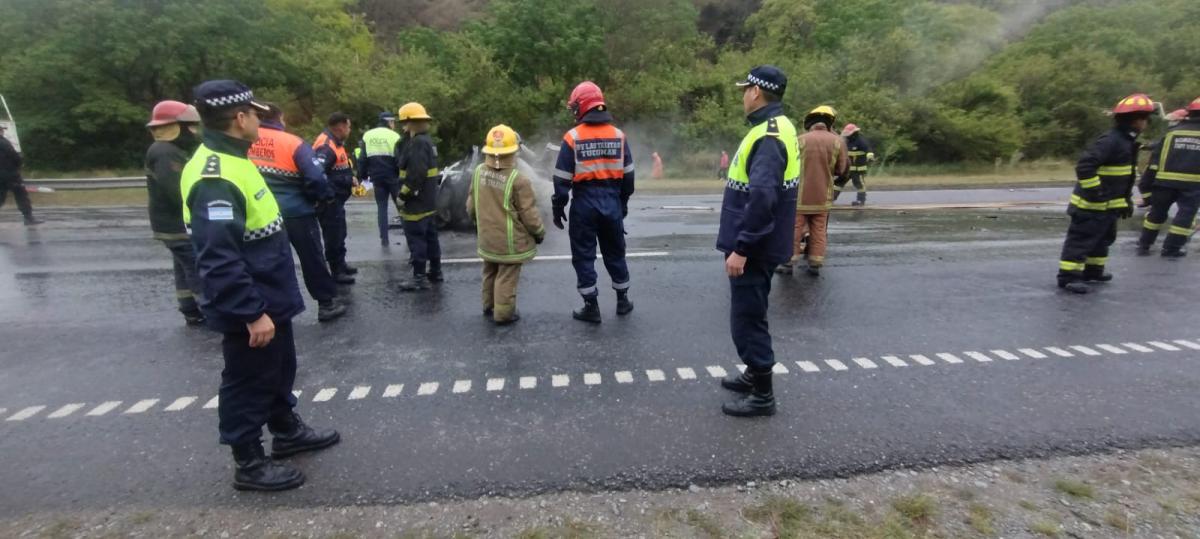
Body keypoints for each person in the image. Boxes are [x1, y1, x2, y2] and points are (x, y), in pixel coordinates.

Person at [183, 80, 339, 491]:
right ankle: (249, 461)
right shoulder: (215, 177)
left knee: (279, 367)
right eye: (254, 113)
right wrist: (251, 313)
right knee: (248, 379)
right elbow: (218, 258)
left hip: (270, 293)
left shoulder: (235, 157)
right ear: (240, 118)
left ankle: (286, 429)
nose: (259, 120)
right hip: (252, 302)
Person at [716, 65, 800, 417]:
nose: (743, 96)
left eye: (744, 90)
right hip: (763, 244)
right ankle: (754, 373)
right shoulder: (779, 126)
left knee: (748, 318)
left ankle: (763, 394)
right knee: (753, 312)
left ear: (755, 92)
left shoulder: (767, 136)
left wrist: (742, 248)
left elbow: (763, 199)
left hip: (755, 247)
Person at [248, 103, 347, 322]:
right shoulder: (292, 142)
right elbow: (316, 177)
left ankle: (270, 310)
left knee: (268, 261)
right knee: (312, 259)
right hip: (296, 212)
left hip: (260, 213)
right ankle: (326, 304)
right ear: (279, 118)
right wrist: (319, 198)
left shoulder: (245, 143)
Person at [552, 81, 635, 323]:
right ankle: (623, 300)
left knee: (583, 255)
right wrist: (622, 203)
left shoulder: (572, 137)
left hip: (584, 203)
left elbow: (561, 179)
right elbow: (629, 176)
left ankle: (591, 306)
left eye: (574, 107)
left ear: (582, 106)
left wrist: (558, 207)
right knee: (615, 251)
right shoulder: (619, 136)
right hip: (611, 200)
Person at [1057, 93, 1155, 293]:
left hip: (1107, 207)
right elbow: (1085, 166)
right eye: (1145, 119)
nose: (1146, 123)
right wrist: (1096, 192)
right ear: (1136, 120)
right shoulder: (1111, 141)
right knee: (1081, 241)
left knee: (1102, 240)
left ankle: (1093, 271)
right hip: (1090, 206)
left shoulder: (1126, 141)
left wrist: (1125, 201)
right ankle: (1068, 277)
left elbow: (1122, 179)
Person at [467, 125, 545, 325]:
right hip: (509, 243)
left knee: (489, 271)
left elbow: (471, 206)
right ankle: (503, 314)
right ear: (514, 152)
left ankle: (488, 306)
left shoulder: (478, 172)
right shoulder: (519, 180)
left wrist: (478, 223)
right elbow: (529, 214)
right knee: (506, 276)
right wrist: (539, 232)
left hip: (487, 238)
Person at [144, 100, 205, 325]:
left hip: (169, 224)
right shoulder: (165, 152)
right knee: (195, 265)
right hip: (176, 224)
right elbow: (178, 190)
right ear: (174, 127)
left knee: (183, 266)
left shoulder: (167, 150)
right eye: (189, 125)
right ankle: (209, 308)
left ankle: (190, 308)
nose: (193, 131)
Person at [777, 105, 848, 277]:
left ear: (810, 123)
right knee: (819, 229)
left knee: (794, 228)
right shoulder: (838, 142)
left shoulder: (799, 140)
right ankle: (815, 264)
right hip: (823, 196)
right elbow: (842, 169)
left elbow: (786, 165)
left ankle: (788, 263)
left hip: (799, 196)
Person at [1137, 96, 1200, 258]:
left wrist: (1146, 185)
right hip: (1193, 185)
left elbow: (1155, 160)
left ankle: (1144, 243)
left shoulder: (1172, 133)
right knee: (1185, 216)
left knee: (1156, 214)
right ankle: (1171, 248)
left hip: (1163, 183)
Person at [394, 102, 443, 291]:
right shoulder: (426, 141)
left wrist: (403, 195)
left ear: (410, 122)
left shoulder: (417, 143)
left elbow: (416, 174)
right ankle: (435, 272)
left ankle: (419, 278)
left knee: (416, 239)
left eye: (404, 123)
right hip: (428, 200)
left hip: (416, 201)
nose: (403, 127)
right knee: (430, 237)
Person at [313, 112, 357, 284]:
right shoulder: (326, 146)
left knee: (340, 232)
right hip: (330, 201)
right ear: (341, 127)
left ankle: (341, 263)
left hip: (337, 200)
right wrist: (330, 196)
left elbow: (337, 169)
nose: (350, 130)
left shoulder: (336, 143)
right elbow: (318, 174)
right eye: (349, 126)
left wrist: (349, 177)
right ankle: (336, 270)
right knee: (333, 235)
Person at [358, 112, 401, 246]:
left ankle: (384, 238)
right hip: (393, 177)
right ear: (389, 122)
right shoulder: (395, 136)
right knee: (401, 206)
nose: (394, 125)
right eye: (393, 122)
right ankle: (409, 234)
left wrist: (363, 176)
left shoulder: (368, 135)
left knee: (382, 207)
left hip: (377, 177)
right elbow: (400, 159)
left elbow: (362, 159)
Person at [0, 124, 43, 225]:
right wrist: (19, 163)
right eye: (1, 130)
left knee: (1, 196)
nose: (3, 131)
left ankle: (29, 218)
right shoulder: (3, 142)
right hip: (10, 174)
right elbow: (14, 156)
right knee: (21, 195)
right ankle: (28, 218)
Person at [833, 123, 873, 206]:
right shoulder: (846, 141)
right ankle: (831, 199)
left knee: (859, 184)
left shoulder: (861, 141)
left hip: (857, 169)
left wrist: (870, 157)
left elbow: (868, 150)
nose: (847, 136)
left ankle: (860, 201)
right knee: (838, 183)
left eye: (849, 134)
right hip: (846, 169)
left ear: (854, 133)